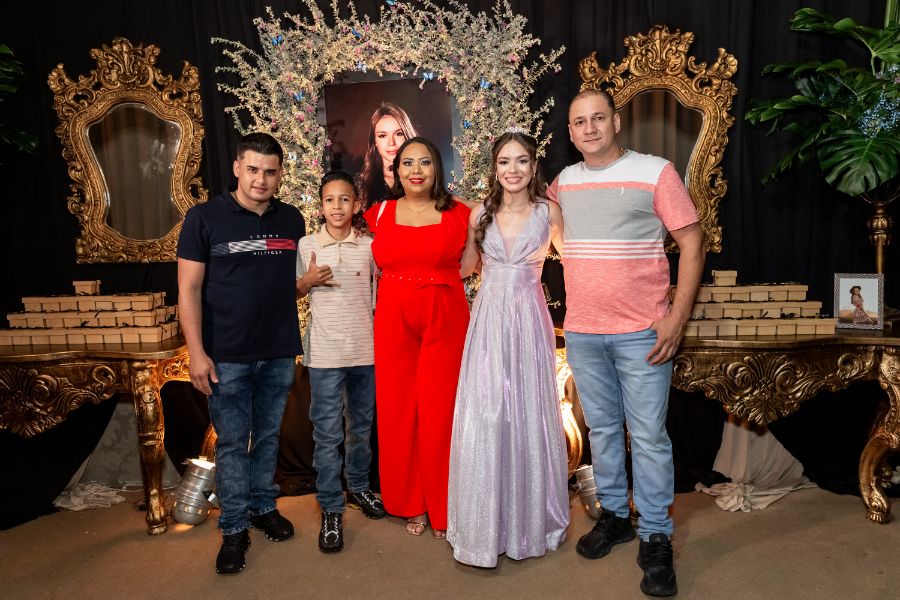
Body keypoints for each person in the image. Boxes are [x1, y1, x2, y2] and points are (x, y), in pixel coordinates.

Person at [547, 89, 704, 597]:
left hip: (642, 333)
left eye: (598, 118)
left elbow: (692, 243)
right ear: (570, 133)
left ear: (616, 122)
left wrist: (677, 318)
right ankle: (615, 516)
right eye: (579, 122)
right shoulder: (563, 183)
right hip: (584, 331)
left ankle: (656, 535)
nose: (589, 128)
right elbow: (546, 231)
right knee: (603, 430)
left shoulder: (656, 172)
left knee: (650, 435)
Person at [177, 132, 305, 575]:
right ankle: (233, 528)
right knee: (232, 443)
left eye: (270, 171)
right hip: (226, 355)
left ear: (280, 174)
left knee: (268, 437)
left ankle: (262, 506)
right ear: (236, 168)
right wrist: (197, 352)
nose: (260, 179)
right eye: (252, 169)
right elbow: (188, 289)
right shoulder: (204, 218)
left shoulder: (292, 219)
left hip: (278, 350)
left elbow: (281, 285)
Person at [447, 130, 570, 567]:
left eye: (521, 161)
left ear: (534, 167)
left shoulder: (548, 211)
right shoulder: (479, 213)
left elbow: (574, 262)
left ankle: (529, 522)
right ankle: (483, 524)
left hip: (530, 320)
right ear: (494, 168)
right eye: (504, 161)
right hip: (488, 321)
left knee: (528, 410)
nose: (512, 169)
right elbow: (465, 267)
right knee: (487, 412)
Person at [363, 136, 471, 540]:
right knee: (399, 411)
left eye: (425, 162)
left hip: (445, 316)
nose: (416, 170)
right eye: (407, 163)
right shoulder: (379, 213)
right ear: (396, 170)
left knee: (441, 413)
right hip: (394, 319)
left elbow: (475, 259)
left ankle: (445, 505)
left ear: (437, 169)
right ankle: (412, 502)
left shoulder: (461, 212)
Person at [296, 170, 385, 554]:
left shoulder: (369, 246)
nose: (337, 207)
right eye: (330, 200)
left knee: (361, 427)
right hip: (325, 356)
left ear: (356, 204)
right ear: (320, 206)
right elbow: (291, 292)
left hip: (365, 352)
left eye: (345, 199)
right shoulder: (306, 245)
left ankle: (360, 487)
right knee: (328, 433)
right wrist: (307, 281)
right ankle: (331, 506)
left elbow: (381, 293)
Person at [356, 102, 418, 209]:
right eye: (383, 136)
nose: (391, 143)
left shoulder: (422, 177)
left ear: (407, 136)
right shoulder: (362, 184)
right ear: (374, 142)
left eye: (399, 134)